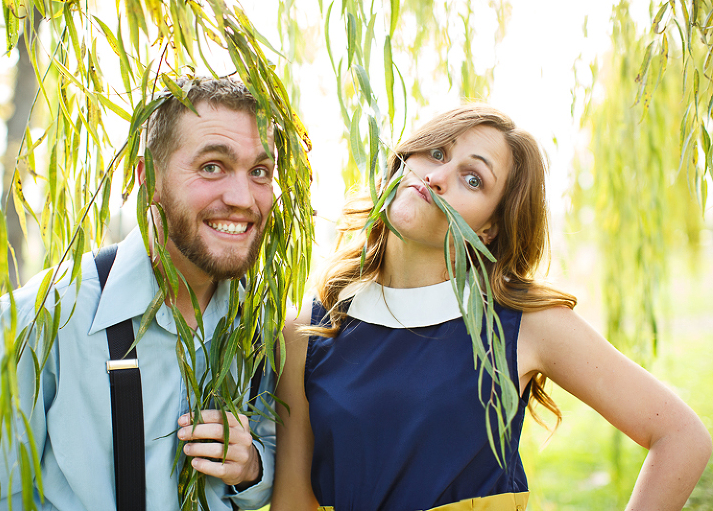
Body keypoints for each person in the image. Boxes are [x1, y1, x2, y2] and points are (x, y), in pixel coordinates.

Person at [271, 104, 712, 511]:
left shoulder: (523, 324)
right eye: (436, 152)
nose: (437, 177)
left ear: (488, 229)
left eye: (473, 179)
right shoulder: (309, 329)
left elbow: (681, 437)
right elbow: (293, 500)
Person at [0, 77, 279, 510]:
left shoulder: (260, 325)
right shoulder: (44, 317)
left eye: (259, 172)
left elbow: (272, 462)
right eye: (212, 166)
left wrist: (251, 466)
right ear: (148, 176)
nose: (243, 198)